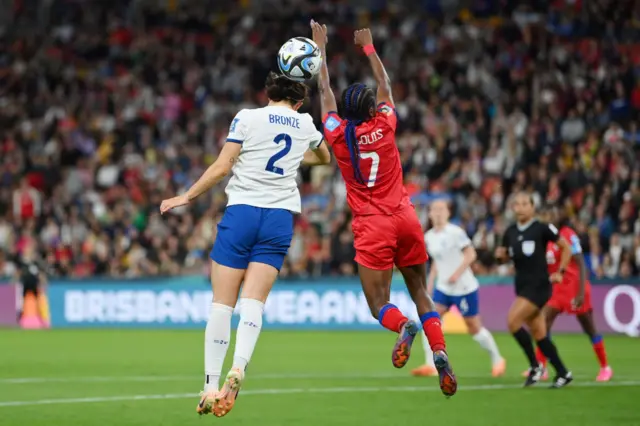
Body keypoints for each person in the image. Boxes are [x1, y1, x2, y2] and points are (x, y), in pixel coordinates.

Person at [160, 71, 331, 417]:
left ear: (268, 93)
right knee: (254, 301)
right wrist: (294, 158)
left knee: (222, 305)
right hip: (280, 217)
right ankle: (239, 367)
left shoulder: (248, 117)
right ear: (298, 102)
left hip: (243, 213)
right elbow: (325, 158)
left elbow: (223, 166)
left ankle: (210, 386)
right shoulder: (304, 124)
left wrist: (187, 196)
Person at [311, 20, 456, 397]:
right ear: (372, 108)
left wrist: (320, 47)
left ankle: (403, 327)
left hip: (372, 225)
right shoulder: (385, 124)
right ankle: (439, 351)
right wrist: (369, 48)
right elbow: (387, 87)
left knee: (378, 303)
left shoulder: (338, 135)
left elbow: (324, 89)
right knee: (421, 290)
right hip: (405, 218)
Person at [412, 199, 506, 378]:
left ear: (448, 213)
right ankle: (430, 364)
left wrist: (457, 273)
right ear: (430, 214)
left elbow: (471, 254)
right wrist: (430, 284)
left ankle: (497, 359)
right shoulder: (429, 237)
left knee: (474, 328)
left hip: (464, 287)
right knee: (429, 320)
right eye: (434, 209)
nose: (438, 212)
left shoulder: (456, 232)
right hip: (443, 288)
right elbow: (436, 263)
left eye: (442, 209)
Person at [496, 192, 573, 388]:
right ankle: (563, 373)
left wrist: (561, 271)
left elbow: (566, 247)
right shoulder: (510, 232)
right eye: (517, 204)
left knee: (513, 321)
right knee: (539, 333)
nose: (520, 207)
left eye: (524, 204)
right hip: (521, 285)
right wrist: (500, 257)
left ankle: (535, 366)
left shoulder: (542, 228)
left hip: (538, 286)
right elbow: (504, 256)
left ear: (532, 207)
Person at [527, 205, 612, 382]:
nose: (548, 217)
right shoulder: (544, 238)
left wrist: (581, 293)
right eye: (544, 214)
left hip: (575, 285)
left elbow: (581, 263)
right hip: (557, 289)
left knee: (588, 327)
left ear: (558, 216)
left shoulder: (567, 234)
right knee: (542, 324)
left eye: (551, 214)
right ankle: (541, 368)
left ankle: (605, 367)